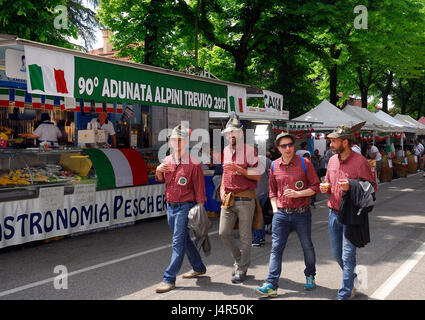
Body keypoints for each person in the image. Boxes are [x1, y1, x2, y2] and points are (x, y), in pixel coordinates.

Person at [254, 132, 320, 297]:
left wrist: (299, 194)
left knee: (307, 246)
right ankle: (271, 284)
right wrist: (276, 210)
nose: (288, 148)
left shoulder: (305, 163)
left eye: (290, 144)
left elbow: (315, 186)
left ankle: (310, 274)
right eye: (284, 146)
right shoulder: (274, 166)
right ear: (278, 148)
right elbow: (272, 191)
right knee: (276, 248)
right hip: (281, 214)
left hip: (302, 213)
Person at [320, 122, 377, 300]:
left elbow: (372, 188)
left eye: (334, 141)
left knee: (348, 255)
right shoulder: (331, 160)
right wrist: (325, 188)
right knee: (338, 255)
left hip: (351, 215)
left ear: (345, 142)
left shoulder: (360, 162)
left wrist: (352, 187)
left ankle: (344, 294)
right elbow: (329, 183)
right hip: (333, 213)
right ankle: (352, 280)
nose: (330, 145)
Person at [154, 124, 207, 293]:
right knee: (183, 239)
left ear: (186, 142)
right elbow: (160, 180)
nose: (177, 143)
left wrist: (200, 211)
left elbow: (200, 189)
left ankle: (169, 278)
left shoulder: (194, 163)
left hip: (185, 207)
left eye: (181, 140)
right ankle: (198, 267)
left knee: (177, 242)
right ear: (170, 141)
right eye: (174, 140)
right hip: (170, 206)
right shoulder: (167, 160)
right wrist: (158, 170)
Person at [219, 116, 261, 284]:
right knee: (223, 232)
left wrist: (239, 169)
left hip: (245, 197)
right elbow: (224, 172)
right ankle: (239, 259)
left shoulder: (250, 150)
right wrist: (222, 189)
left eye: (234, 132)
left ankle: (242, 269)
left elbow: (257, 175)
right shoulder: (226, 150)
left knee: (245, 237)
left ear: (241, 134)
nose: (231, 135)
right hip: (228, 197)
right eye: (228, 133)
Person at [252, 149, 271, 247]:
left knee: (256, 215)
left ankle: (257, 239)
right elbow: (271, 172)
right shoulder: (266, 159)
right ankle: (261, 237)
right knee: (260, 214)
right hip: (265, 191)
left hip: (255, 192)